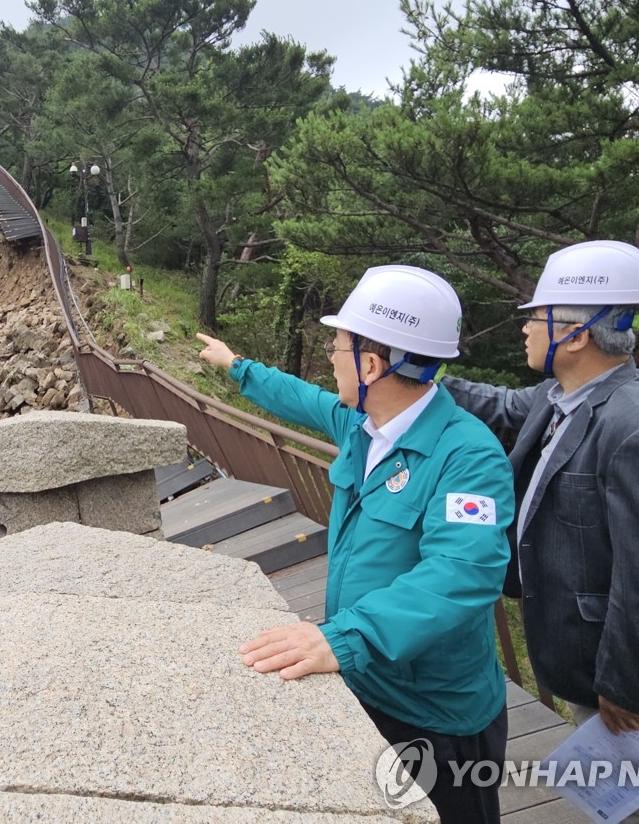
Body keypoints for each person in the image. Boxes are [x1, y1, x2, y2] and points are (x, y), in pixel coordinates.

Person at [198, 265, 514, 824]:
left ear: (372, 364)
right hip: (364, 682)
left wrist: (343, 638)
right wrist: (235, 365)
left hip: (435, 716)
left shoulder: (468, 456)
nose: (328, 355)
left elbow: (463, 572)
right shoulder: (363, 425)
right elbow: (303, 400)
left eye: (337, 345)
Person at [443, 240, 639, 824]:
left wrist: (626, 686)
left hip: (606, 660)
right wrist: (416, 374)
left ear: (577, 334)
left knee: (631, 803)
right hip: (581, 646)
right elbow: (500, 404)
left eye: (538, 314)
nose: (525, 324)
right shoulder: (565, 396)